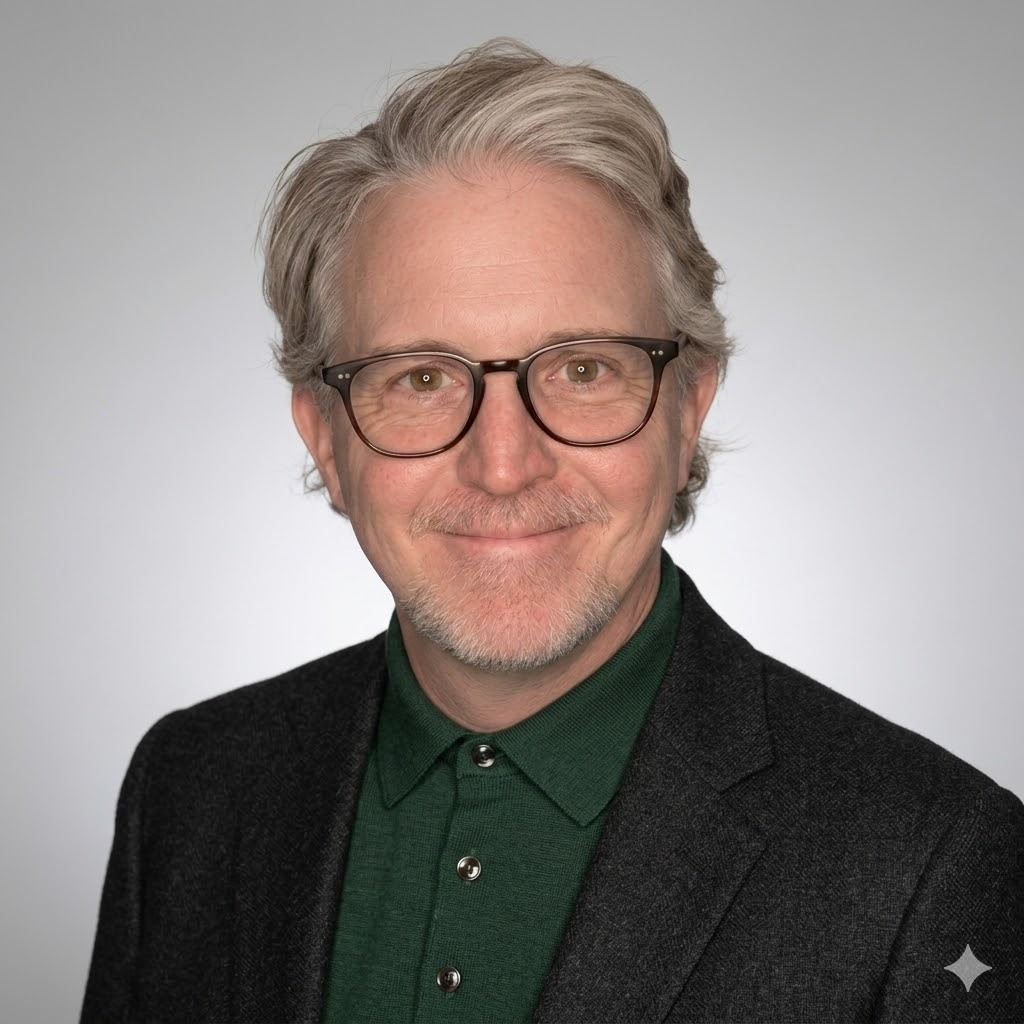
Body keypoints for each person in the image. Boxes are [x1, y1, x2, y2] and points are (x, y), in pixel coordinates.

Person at [81, 40, 1024, 1024]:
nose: (502, 463)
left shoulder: (927, 860)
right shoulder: (190, 789)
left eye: (580, 369)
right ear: (325, 437)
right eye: (420, 378)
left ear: (687, 404)